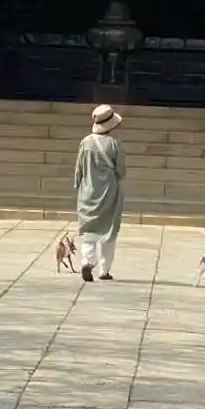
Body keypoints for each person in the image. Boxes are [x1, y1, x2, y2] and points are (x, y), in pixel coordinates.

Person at [75, 104, 126, 282]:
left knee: (88, 230)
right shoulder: (114, 144)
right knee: (109, 231)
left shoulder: (85, 142)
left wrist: (78, 186)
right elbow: (121, 171)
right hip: (109, 192)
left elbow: (79, 169)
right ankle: (104, 270)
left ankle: (87, 261)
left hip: (87, 192)